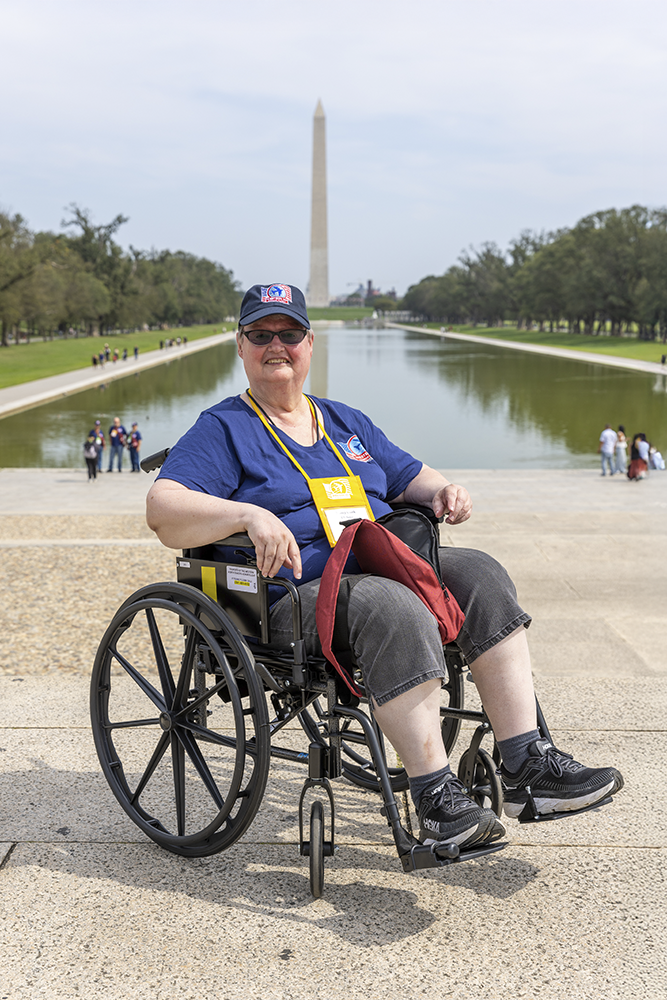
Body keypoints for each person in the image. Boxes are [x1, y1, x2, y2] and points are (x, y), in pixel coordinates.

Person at [146, 283, 624, 851]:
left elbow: (407, 477)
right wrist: (248, 514)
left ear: (309, 343)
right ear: (241, 345)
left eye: (289, 333)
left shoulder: (344, 421)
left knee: (481, 575)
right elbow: (163, 509)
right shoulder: (223, 428)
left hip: (382, 560)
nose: (277, 345)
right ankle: (436, 797)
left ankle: (526, 762)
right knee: (387, 603)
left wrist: (445, 488)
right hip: (291, 592)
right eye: (261, 334)